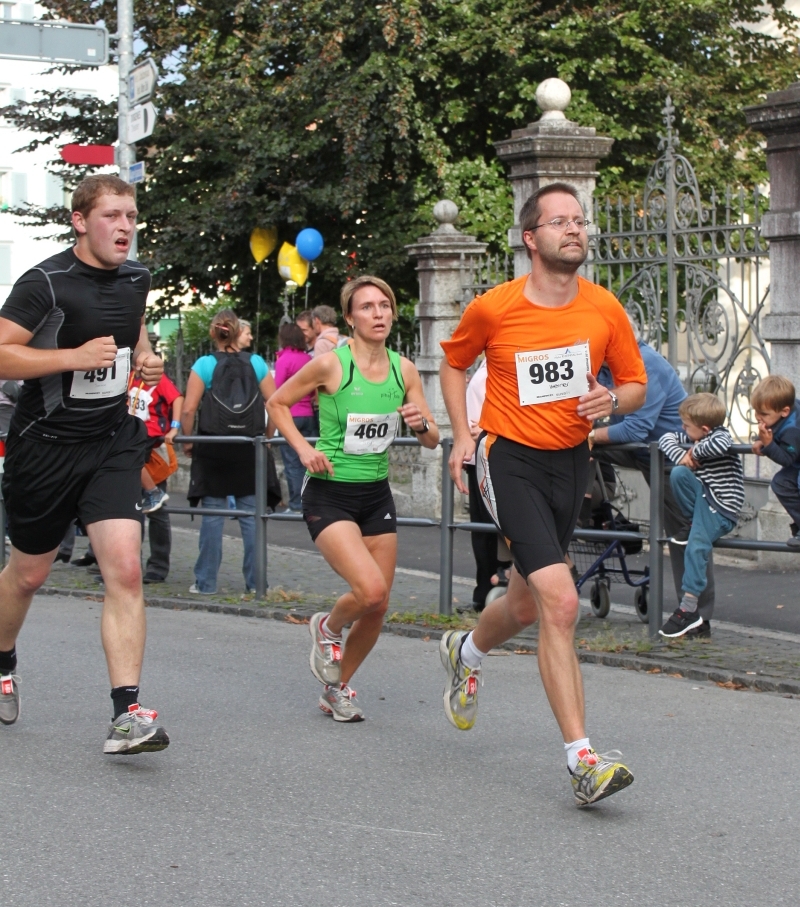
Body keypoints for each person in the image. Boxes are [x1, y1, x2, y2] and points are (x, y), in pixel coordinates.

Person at [438, 182, 647, 806]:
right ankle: (583, 760)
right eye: (560, 221)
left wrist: (612, 400)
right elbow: (453, 365)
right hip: (508, 460)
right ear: (532, 238)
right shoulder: (494, 308)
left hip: (571, 466)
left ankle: (466, 649)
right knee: (561, 603)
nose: (574, 230)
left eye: (579, 220)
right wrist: (461, 437)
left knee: (527, 605)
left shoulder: (604, 308)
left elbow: (635, 386)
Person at [0, 173, 170, 754]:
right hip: (43, 448)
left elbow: (132, 332)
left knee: (124, 568)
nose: (124, 227)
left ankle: (128, 714)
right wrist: (71, 356)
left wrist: (146, 359)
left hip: (110, 442)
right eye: (112, 216)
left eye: (131, 216)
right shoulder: (44, 282)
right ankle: (2, 660)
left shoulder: (137, 278)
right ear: (80, 220)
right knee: (29, 575)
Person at [267, 275, 439, 722]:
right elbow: (278, 404)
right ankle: (328, 626)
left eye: (384, 305)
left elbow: (432, 440)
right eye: (367, 307)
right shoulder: (332, 366)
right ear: (349, 317)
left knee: (378, 606)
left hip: (375, 495)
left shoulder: (404, 370)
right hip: (330, 495)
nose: (378, 313)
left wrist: (420, 423)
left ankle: (337, 688)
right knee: (371, 589)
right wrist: (304, 450)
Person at [590, 326, 718, 637]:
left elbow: (634, 428)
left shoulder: (645, 364)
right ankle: (589, 508)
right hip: (642, 451)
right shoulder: (605, 367)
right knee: (571, 450)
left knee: (683, 535)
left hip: (675, 459)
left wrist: (591, 435)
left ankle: (697, 617)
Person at [181, 309, 275, 595]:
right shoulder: (257, 363)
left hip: (214, 447)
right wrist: (267, 439)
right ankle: (256, 585)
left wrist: (188, 441)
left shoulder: (205, 364)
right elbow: (276, 403)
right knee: (250, 517)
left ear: (214, 333)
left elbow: (188, 408)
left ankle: (206, 582)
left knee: (212, 517)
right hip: (249, 447)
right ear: (237, 332)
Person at [658, 393, 744, 637]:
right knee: (678, 473)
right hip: (704, 502)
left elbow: (720, 445)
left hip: (721, 507)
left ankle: (689, 608)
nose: (682, 429)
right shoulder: (696, 434)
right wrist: (683, 455)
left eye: (687, 426)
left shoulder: (719, 436)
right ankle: (691, 521)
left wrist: (695, 452)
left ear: (704, 428)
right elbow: (666, 437)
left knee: (696, 547)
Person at [127, 372, 184, 581]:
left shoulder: (157, 377)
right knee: (128, 512)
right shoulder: (128, 376)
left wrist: (175, 427)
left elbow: (177, 398)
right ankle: (128, 566)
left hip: (151, 444)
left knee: (156, 512)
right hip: (130, 440)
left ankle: (158, 567)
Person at [464, 359, 510, 610]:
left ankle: (491, 590)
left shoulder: (509, 357)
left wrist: (486, 427)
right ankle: (483, 591)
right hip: (477, 454)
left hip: (493, 452)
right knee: (481, 531)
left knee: (491, 529)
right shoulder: (485, 359)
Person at [750, 375, 800, 548]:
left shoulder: (793, 429)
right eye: (756, 411)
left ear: (784, 411)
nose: (758, 417)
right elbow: (774, 427)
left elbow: (786, 459)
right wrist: (761, 439)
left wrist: (768, 444)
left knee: (788, 483)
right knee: (781, 483)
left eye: (763, 414)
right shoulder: (785, 411)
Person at [273, 323, 314, 512]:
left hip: (290, 416)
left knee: (292, 463)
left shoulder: (284, 360)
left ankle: (297, 504)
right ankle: (312, 502)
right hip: (308, 414)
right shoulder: (308, 359)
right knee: (309, 461)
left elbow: (277, 392)